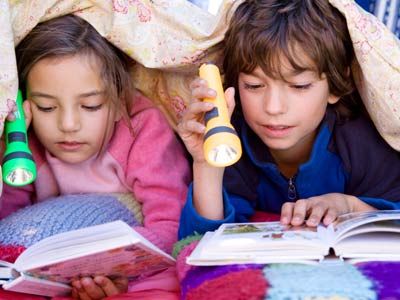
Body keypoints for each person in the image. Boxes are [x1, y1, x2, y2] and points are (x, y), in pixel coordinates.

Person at [1, 15, 190, 299]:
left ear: (117, 102)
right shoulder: (27, 145)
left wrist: (115, 263)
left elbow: (171, 225)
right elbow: (8, 220)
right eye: (46, 107)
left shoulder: (142, 130)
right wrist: (9, 143)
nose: (68, 124)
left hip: (137, 270)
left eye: (90, 106)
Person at [177, 0, 400, 239]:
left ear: (336, 84)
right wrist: (207, 167)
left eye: (299, 85)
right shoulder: (233, 140)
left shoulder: (363, 143)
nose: (273, 107)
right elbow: (199, 245)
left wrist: (351, 207)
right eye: (254, 85)